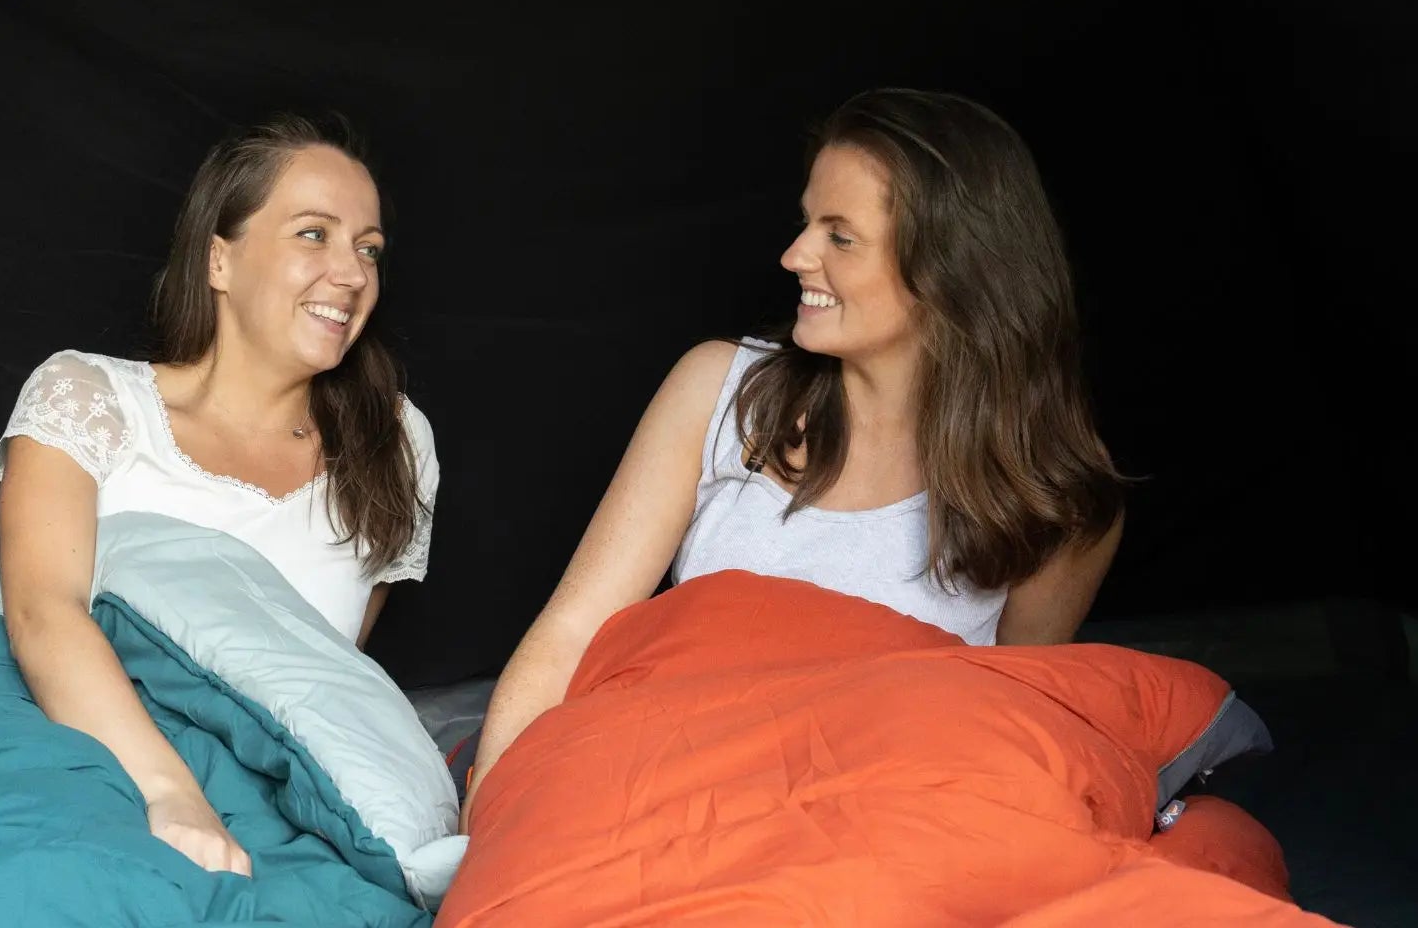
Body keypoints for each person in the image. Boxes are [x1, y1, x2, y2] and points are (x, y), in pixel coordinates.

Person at [462, 88, 1125, 828]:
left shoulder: (1055, 498)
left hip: (878, 835)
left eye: (840, 237)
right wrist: (490, 815)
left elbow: (1009, 732)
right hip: (674, 798)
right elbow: (575, 627)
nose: (795, 255)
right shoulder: (720, 390)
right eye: (808, 221)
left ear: (952, 268)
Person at [0, 114, 438, 875]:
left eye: (369, 249)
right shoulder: (89, 399)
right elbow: (41, 613)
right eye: (313, 234)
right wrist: (172, 795)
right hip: (84, 765)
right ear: (219, 260)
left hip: (272, 809)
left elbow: (319, 673)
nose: (354, 272)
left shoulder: (394, 442)